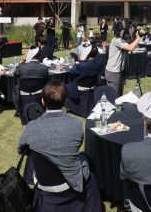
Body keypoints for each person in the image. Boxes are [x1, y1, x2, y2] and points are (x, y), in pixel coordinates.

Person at [17, 81, 101, 209]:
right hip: (72, 182)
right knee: (88, 165)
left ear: (43, 102)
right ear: (65, 101)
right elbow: (76, 147)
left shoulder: (31, 127)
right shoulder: (76, 124)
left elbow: (20, 149)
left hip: (45, 183)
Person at [106, 25, 143, 95]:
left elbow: (131, 43)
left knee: (119, 94)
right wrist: (139, 37)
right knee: (113, 96)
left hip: (118, 70)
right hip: (113, 71)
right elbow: (130, 48)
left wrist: (137, 36)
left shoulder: (121, 39)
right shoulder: (117, 40)